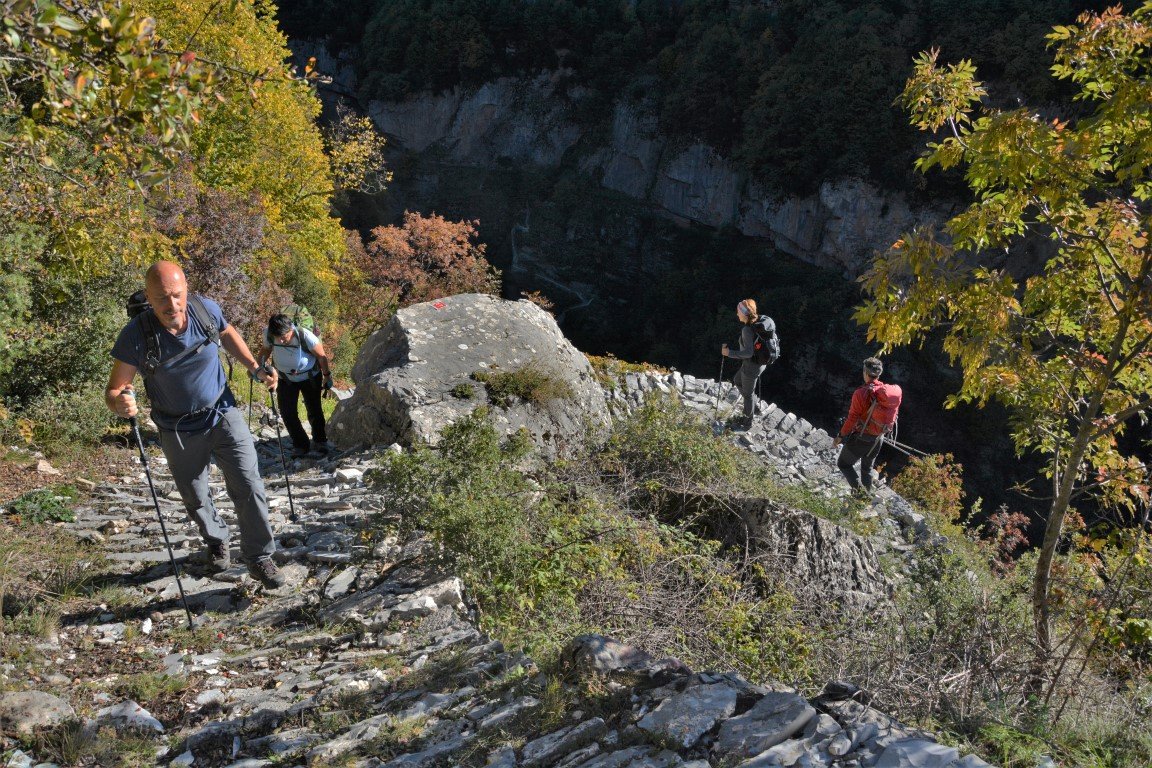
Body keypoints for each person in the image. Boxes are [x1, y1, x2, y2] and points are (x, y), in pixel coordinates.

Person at [105, 261, 285, 588]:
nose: (171, 305)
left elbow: (228, 334)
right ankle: (216, 542)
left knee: (249, 483)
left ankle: (260, 557)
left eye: (176, 295)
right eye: (161, 298)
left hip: (222, 410)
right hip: (177, 428)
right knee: (195, 495)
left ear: (186, 290)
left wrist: (256, 368)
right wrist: (120, 402)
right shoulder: (137, 334)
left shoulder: (205, 311)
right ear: (148, 296)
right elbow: (115, 389)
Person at [257, 313, 334, 459]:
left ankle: (320, 442)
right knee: (287, 413)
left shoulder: (305, 336)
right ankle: (300, 445)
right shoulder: (269, 334)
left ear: (291, 329)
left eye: (284, 336)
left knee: (314, 410)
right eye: (277, 336)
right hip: (285, 378)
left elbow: (321, 356)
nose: (280, 339)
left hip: (310, 377)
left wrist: (327, 376)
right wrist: (257, 368)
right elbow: (265, 350)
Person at [833, 357, 892, 495]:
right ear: (879, 374)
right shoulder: (885, 393)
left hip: (862, 437)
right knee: (867, 468)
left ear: (865, 372)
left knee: (843, 464)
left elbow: (852, 418)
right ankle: (867, 498)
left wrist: (840, 436)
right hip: (878, 439)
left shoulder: (861, 393)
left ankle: (860, 496)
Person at [721, 298, 767, 430]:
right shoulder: (759, 321)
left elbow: (747, 353)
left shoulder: (747, 330)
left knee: (747, 394)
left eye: (738, 312)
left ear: (744, 314)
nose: (737, 314)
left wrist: (728, 353)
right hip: (760, 364)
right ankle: (753, 405)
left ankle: (747, 422)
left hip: (751, 367)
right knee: (737, 380)